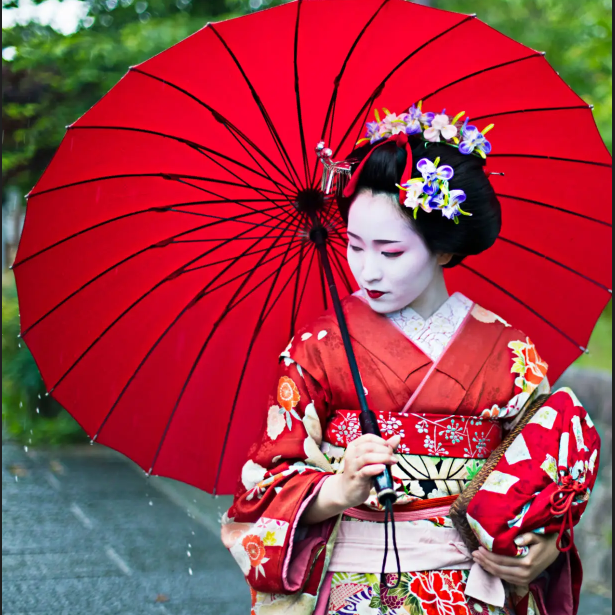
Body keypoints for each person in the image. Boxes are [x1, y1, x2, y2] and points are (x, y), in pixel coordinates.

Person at [221, 110, 599, 615]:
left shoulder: (509, 352)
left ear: (444, 249)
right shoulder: (319, 346)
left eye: (391, 251)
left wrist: (543, 545)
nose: (367, 269)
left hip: (473, 588)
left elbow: (543, 474)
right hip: (354, 588)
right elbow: (264, 483)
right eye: (355, 246)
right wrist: (336, 489)